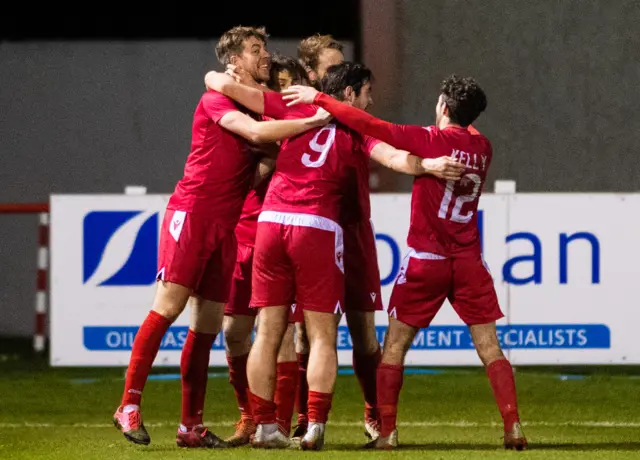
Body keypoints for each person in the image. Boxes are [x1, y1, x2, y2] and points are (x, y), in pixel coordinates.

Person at [111, 25, 330, 449]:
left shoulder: (260, 108)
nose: (263, 56)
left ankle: (190, 426)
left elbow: (267, 139)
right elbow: (255, 136)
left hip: (225, 228)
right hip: (192, 215)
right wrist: (316, 120)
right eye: (254, 50)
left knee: (208, 324)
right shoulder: (216, 98)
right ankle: (128, 403)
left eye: (264, 48)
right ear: (233, 63)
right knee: (168, 307)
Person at [282, 75, 528, 450]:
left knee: (394, 347)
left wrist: (318, 97)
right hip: (467, 262)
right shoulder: (484, 147)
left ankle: (387, 434)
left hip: (425, 262)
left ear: (444, 107)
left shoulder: (434, 140)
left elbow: (375, 126)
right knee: (490, 348)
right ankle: (513, 428)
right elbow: (468, 131)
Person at [223, 53, 311, 447]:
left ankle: (276, 422)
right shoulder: (246, 118)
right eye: (276, 84)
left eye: (288, 85)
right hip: (242, 233)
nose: (281, 91)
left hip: (278, 233)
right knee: (233, 332)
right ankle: (251, 416)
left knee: (283, 332)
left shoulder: (298, 125)